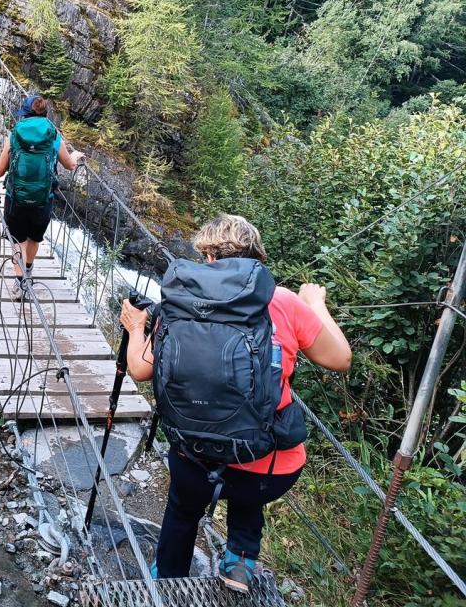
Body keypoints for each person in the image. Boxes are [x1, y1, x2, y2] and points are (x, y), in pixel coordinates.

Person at [120, 214, 352, 593]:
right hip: (271, 469)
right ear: (256, 258)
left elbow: (141, 368)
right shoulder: (283, 301)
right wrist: (314, 303)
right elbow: (340, 358)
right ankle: (239, 561)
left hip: (194, 456)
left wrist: (134, 328)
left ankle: (167, 580)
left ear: (208, 256)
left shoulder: (180, 298)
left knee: (182, 508)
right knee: (250, 466)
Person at [0, 96, 84, 298]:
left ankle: (20, 284)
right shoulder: (54, 136)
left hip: (16, 198)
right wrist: (75, 156)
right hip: (43, 199)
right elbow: (70, 165)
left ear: (26, 115)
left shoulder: (14, 136)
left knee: (18, 240)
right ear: (45, 115)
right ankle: (28, 270)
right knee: (34, 238)